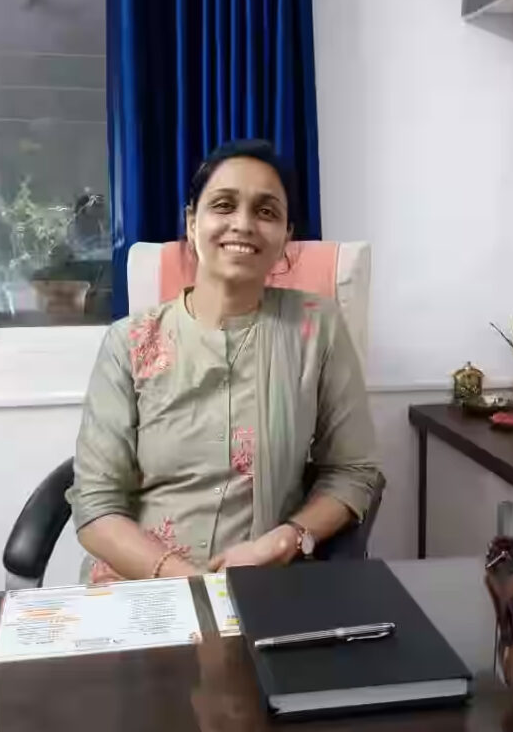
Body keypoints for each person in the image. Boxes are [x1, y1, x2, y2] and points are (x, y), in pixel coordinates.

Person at [68, 139, 382, 583]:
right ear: (192, 223)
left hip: (264, 584)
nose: (244, 224)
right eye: (223, 205)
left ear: (286, 237)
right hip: (138, 584)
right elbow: (96, 504)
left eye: (267, 211)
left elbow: (353, 472)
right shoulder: (129, 342)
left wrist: (286, 539)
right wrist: (182, 578)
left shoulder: (317, 329)